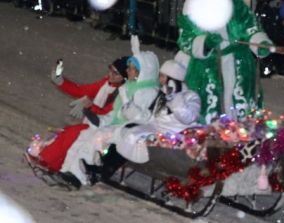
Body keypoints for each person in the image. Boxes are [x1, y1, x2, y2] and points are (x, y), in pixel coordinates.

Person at [61, 36, 160, 185]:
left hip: (130, 132)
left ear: (142, 72)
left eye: (131, 68)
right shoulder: (130, 87)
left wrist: (126, 99)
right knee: (88, 136)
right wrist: (101, 119)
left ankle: (83, 176)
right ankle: (72, 172)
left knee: (97, 138)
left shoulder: (147, 92)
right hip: (118, 126)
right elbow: (116, 114)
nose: (128, 71)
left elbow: (136, 117)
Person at [177, 0, 273, 123]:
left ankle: (243, 129)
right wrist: (205, 43)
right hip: (207, 65)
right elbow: (185, 40)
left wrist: (258, 41)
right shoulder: (189, 14)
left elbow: (249, 24)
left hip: (238, 60)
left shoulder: (232, 3)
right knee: (209, 103)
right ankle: (209, 132)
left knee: (241, 99)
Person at [32, 57, 128, 175]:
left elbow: (108, 116)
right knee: (68, 132)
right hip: (93, 124)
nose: (110, 75)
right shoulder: (106, 84)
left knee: (73, 132)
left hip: (105, 131)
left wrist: (90, 106)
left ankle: (47, 160)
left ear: (124, 77)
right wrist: (60, 81)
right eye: (110, 70)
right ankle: (49, 161)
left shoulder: (123, 94)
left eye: (115, 73)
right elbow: (82, 90)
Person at [113, 54, 201, 164]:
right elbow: (152, 117)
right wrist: (131, 110)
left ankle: (106, 167)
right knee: (129, 133)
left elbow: (187, 118)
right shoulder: (162, 94)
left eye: (163, 76)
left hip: (175, 135)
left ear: (173, 79)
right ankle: (105, 166)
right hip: (157, 129)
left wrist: (174, 97)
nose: (160, 79)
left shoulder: (190, 96)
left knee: (136, 138)